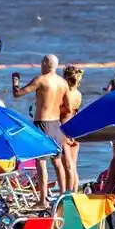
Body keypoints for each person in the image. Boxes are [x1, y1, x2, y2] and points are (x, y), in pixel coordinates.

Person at [12, 55, 70, 205]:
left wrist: (15, 81)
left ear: (45, 64)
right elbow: (68, 107)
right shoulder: (63, 83)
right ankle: (64, 196)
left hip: (42, 122)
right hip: (56, 123)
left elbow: (17, 94)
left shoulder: (41, 79)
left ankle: (42, 199)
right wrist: (55, 108)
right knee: (57, 161)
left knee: (41, 162)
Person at [60, 66, 84, 192]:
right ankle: (75, 193)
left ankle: (68, 195)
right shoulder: (78, 94)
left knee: (68, 166)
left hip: (64, 130)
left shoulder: (64, 94)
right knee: (73, 166)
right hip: (76, 129)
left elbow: (62, 111)